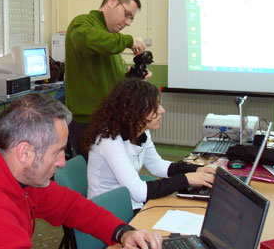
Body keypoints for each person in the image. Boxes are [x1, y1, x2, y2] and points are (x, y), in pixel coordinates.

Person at [0, 93, 162, 249]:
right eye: (58, 152)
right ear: (25, 153)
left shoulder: (12, 172)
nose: (63, 162)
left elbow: (70, 205)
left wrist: (122, 232)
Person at [82, 78, 216, 211]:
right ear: (136, 109)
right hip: (108, 211)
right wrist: (185, 179)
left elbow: (157, 165)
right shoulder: (110, 140)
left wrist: (195, 170)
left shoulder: (140, 131)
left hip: (128, 202)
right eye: (155, 106)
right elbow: (139, 192)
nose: (162, 110)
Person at [65, 0, 150, 159]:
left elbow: (108, 79)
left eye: (131, 19)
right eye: (127, 15)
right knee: (100, 182)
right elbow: (88, 40)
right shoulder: (82, 23)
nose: (127, 23)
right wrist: (129, 40)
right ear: (112, 1)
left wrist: (131, 77)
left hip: (109, 121)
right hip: (89, 123)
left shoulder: (109, 37)